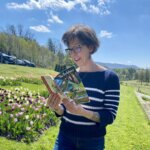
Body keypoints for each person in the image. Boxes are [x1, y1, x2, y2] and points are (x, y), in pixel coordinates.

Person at [47, 24, 120, 150]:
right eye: (70, 49)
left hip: (92, 141)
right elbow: (64, 110)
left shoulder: (109, 77)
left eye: (78, 47)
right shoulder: (70, 75)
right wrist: (57, 108)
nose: (73, 54)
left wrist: (82, 112)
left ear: (90, 47)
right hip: (65, 136)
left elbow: (109, 116)